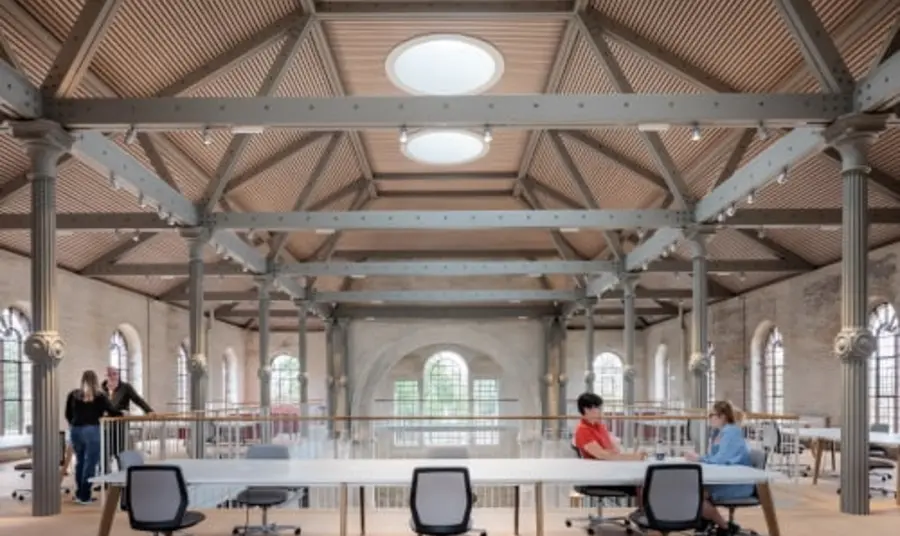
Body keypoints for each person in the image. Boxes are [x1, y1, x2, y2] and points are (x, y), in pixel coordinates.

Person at [685, 400, 754, 536]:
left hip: (737, 483)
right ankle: (712, 522)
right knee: (693, 490)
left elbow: (720, 460)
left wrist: (699, 459)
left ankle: (724, 526)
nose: (709, 418)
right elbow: (715, 458)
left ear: (722, 416)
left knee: (695, 494)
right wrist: (701, 458)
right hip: (727, 477)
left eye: (712, 415)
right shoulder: (719, 433)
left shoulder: (731, 432)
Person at [572, 392, 647, 502]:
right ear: (587, 409)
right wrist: (633, 457)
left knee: (645, 481)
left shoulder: (599, 426)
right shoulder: (583, 430)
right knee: (643, 485)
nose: (601, 411)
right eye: (598, 408)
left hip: (609, 470)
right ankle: (644, 515)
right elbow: (604, 455)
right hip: (598, 476)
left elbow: (614, 451)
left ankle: (644, 514)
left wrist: (626, 455)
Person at [65, 370, 118, 504]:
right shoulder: (100, 396)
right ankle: (85, 495)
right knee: (91, 463)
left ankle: (79, 494)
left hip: (75, 430)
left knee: (80, 462)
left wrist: (74, 423)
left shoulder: (73, 394)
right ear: (96, 381)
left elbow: (68, 414)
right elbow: (112, 411)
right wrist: (121, 413)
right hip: (92, 430)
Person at [102, 366, 153, 469]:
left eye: (114, 374)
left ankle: (123, 476)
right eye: (109, 374)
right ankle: (106, 481)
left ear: (118, 375)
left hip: (120, 426)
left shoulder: (125, 387)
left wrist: (149, 411)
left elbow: (138, 400)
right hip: (106, 427)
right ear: (106, 376)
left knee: (121, 452)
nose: (112, 376)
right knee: (105, 453)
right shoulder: (103, 388)